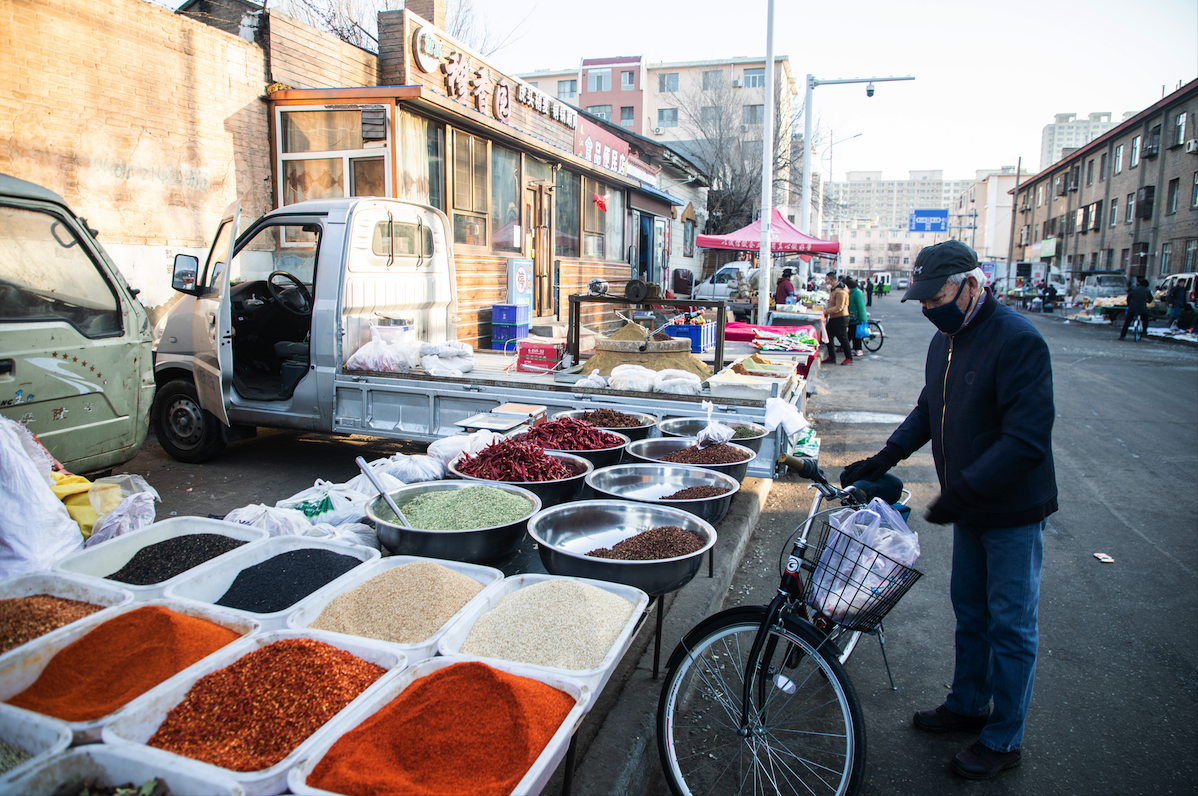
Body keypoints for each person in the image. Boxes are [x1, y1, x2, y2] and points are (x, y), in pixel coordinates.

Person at [839, 240, 1056, 781]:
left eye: (937, 296)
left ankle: (1005, 737)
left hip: (1011, 510)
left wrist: (963, 491)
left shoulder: (1019, 341)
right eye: (923, 300)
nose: (930, 308)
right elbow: (927, 409)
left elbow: (1027, 441)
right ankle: (967, 704)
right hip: (970, 506)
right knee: (971, 610)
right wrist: (881, 459)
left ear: (972, 285)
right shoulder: (947, 340)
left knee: (1011, 624)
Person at [821, 273, 853, 365]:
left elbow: (839, 307)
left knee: (843, 338)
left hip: (840, 318)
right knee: (827, 336)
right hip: (833, 317)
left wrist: (825, 311)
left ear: (832, 280)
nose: (826, 282)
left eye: (827, 280)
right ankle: (832, 357)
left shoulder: (841, 291)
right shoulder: (834, 289)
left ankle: (849, 358)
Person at [845, 276, 867, 357]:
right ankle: (854, 348)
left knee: (857, 334)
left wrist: (862, 318)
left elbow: (861, 306)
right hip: (851, 318)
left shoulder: (857, 293)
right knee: (851, 333)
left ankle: (858, 349)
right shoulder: (852, 293)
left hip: (857, 318)